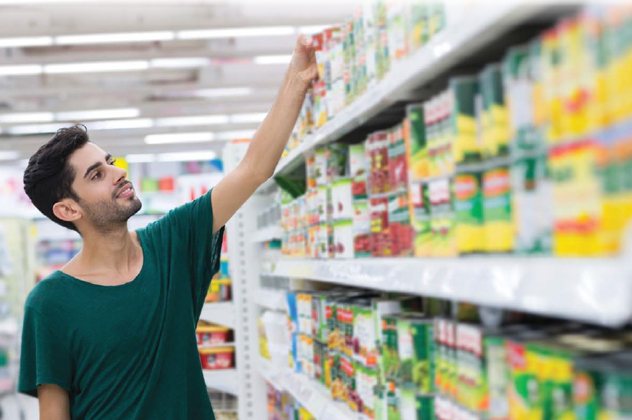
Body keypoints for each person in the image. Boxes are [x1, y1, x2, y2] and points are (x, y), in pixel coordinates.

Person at [18, 35, 318, 420]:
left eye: (110, 161)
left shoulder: (173, 244)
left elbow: (253, 169)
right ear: (67, 209)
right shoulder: (49, 303)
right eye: (97, 174)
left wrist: (296, 78)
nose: (118, 172)